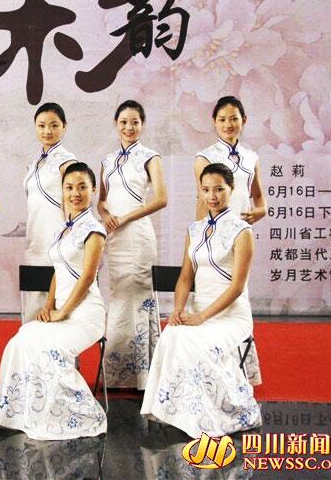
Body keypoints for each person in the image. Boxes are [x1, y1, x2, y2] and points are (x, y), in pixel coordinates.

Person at [140, 163, 262, 438]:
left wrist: (201, 317)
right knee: (171, 335)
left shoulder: (242, 231)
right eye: (206, 190)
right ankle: (177, 410)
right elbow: (185, 277)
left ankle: (214, 413)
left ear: (231, 189)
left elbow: (236, 288)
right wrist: (178, 310)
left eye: (219, 189)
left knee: (194, 344)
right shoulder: (194, 230)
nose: (212, 196)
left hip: (231, 316)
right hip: (197, 311)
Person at [0, 163, 107, 440]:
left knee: (47, 349)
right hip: (61, 311)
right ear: (62, 191)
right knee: (22, 338)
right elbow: (58, 272)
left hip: (86, 314)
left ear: (93, 190)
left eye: (82, 187)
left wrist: (63, 311)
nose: (75, 193)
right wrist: (48, 306)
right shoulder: (64, 229)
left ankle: (77, 414)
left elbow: (86, 278)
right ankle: (24, 412)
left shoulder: (94, 230)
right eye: (69, 187)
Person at [194, 95, 265, 385]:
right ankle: (211, 367)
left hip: (241, 237)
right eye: (222, 119)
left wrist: (258, 212)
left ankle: (238, 369)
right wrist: (200, 238)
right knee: (211, 291)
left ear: (244, 121)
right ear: (214, 122)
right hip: (213, 236)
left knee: (238, 292)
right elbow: (202, 202)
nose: (228, 124)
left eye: (234, 118)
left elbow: (260, 200)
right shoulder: (204, 157)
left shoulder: (251, 158)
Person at [98, 100, 168, 389]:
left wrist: (125, 217)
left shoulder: (151, 157)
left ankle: (143, 375)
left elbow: (161, 199)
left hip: (138, 237)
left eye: (135, 122)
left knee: (139, 298)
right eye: (124, 122)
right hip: (115, 238)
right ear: (116, 124)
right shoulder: (107, 161)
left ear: (142, 125)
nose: (129, 127)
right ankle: (116, 375)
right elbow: (101, 201)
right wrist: (106, 215)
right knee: (118, 298)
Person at [22, 103, 77, 323]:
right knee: (34, 301)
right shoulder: (34, 164)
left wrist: (69, 239)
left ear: (64, 127)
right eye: (42, 125)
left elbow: (76, 204)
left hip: (56, 239)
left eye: (54, 125)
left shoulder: (68, 162)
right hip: (35, 240)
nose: (47, 131)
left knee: (56, 301)